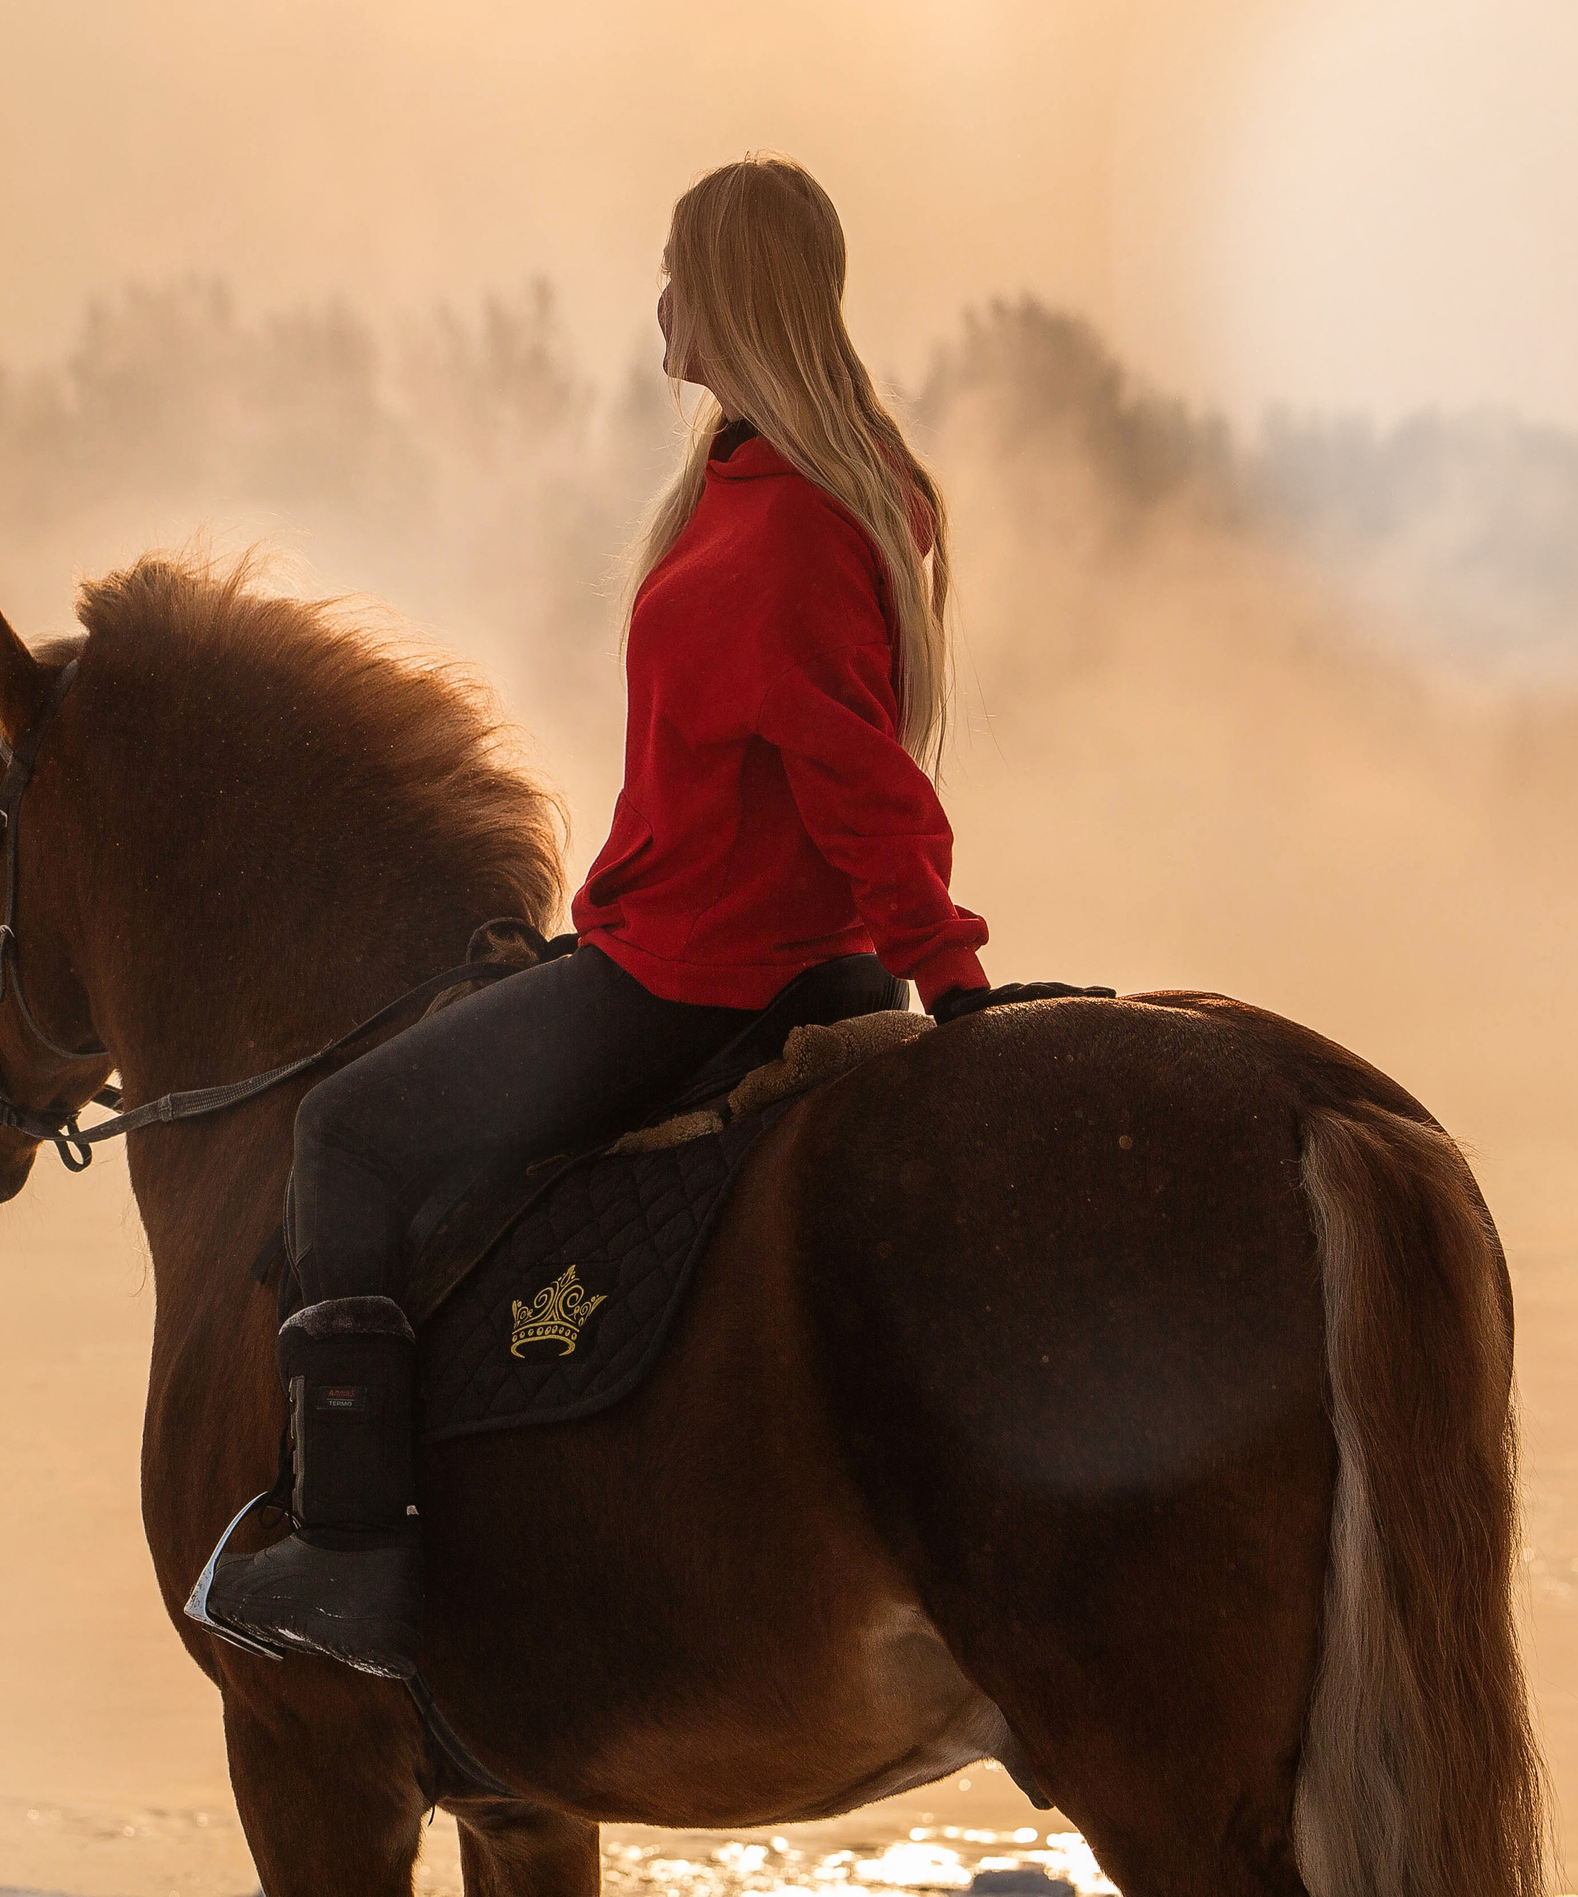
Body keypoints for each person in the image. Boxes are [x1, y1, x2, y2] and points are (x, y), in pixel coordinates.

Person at [202, 153, 1110, 1678]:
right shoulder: (801, 481)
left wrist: (954, 980)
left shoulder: (777, 529)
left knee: (343, 1138)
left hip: (698, 974)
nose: (662, 298)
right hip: (729, 941)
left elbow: (852, 773)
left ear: (733, 290)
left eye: (679, 270)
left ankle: (353, 1552)